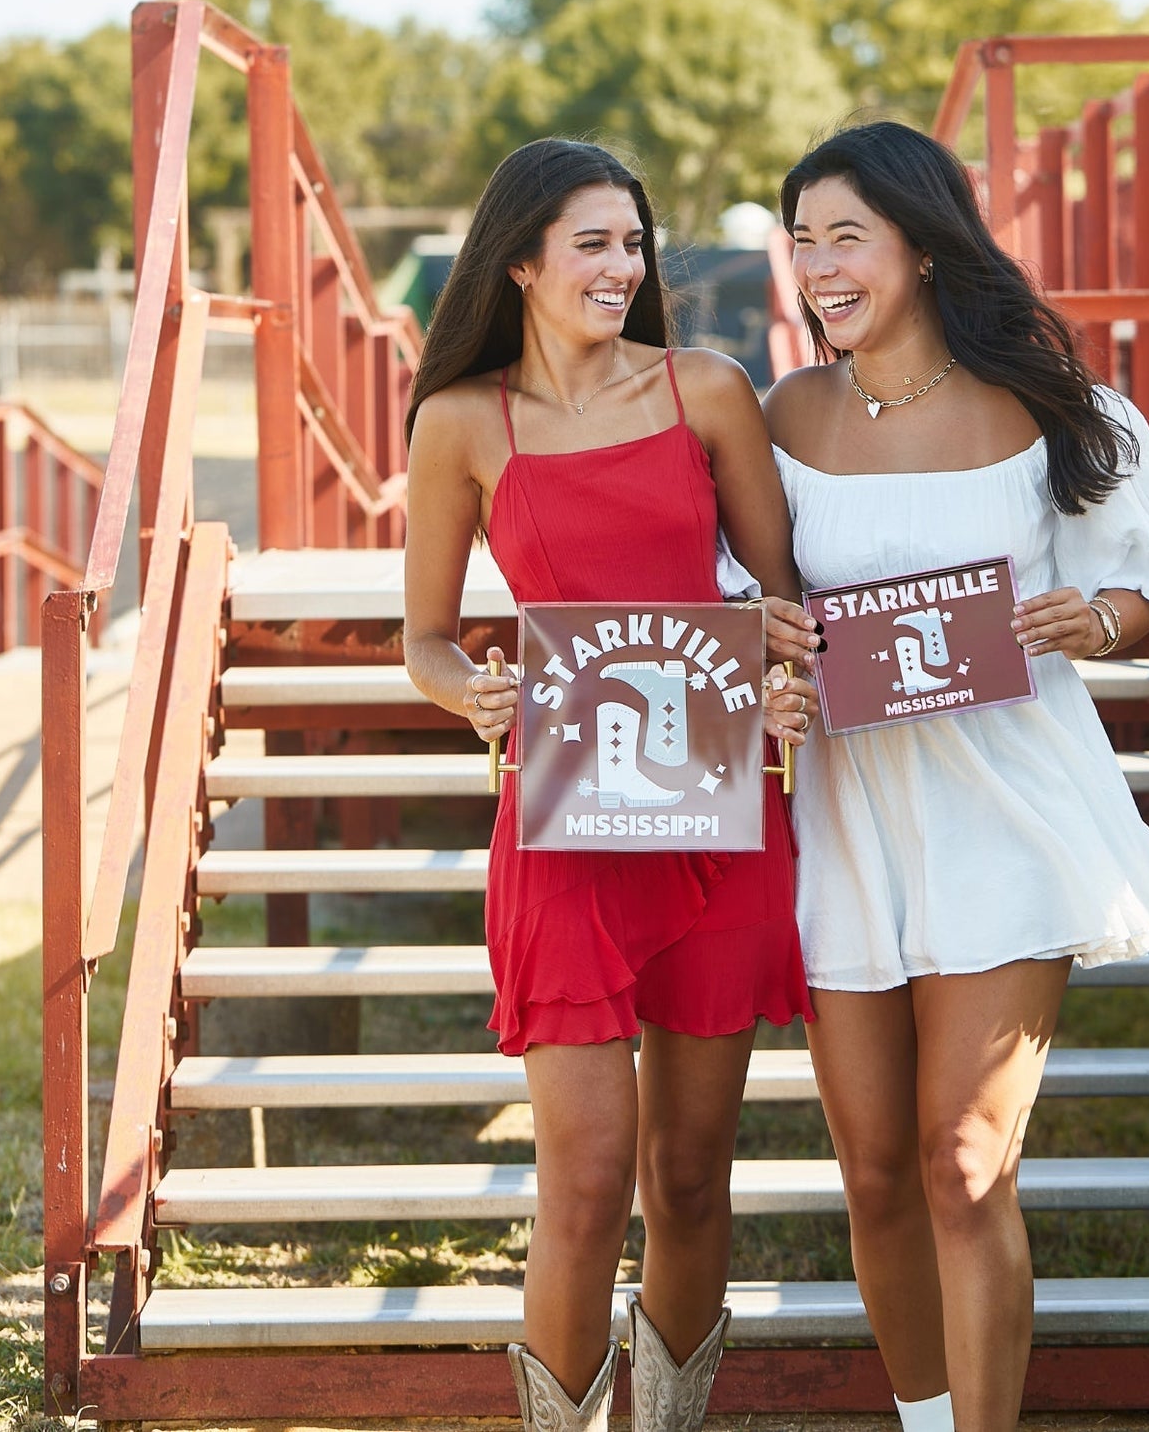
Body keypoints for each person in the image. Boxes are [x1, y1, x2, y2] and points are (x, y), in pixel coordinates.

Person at [761, 121, 1149, 1432]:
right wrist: (772, 660)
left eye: (845, 233)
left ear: (919, 237)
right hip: (845, 811)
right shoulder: (782, 411)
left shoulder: (1041, 401)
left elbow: (1145, 574)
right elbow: (748, 603)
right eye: (802, 239)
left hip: (1004, 809)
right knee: (876, 1172)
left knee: (964, 1163)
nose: (818, 264)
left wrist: (1101, 621)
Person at [402, 138, 818, 1432]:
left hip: (715, 808)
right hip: (563, 823)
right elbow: (420, 638)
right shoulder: (461, 420)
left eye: (631, 243)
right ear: (518, 260)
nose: (620, 265)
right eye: (591, 242)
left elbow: (782, 597)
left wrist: (777, 654)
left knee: (689, 1172)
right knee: (583, 1177)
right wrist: (462, 686)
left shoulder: (705, 390)